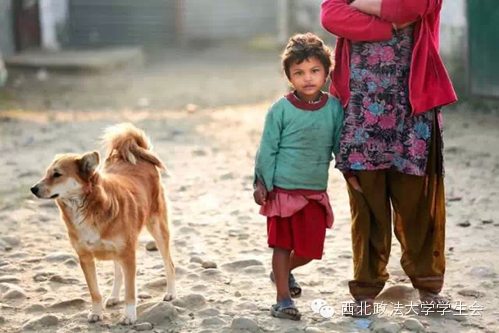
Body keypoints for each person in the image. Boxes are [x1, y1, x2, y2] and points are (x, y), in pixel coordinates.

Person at [320, 0, 457, 316]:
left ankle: (428, 287)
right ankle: (365, 291)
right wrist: (385, 27)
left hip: (413, 110)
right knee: (366, 204)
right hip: (360, 111)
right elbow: (331, 14)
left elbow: (410, 7)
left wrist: (358, 4)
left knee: (418, 204)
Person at [253, 33, 344, 321]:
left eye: (315, 70)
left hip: (314, 190)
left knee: (309, 250)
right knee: (281, 245)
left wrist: (353, 173)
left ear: (327, 73)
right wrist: (261, 182)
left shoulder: (334, 108)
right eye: (299, 72)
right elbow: (267, 148)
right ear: (289, 76)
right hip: (281, 190)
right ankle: (283, 299)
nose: (308, 78)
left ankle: (286, 271)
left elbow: (340, 145)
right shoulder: (280, 109)